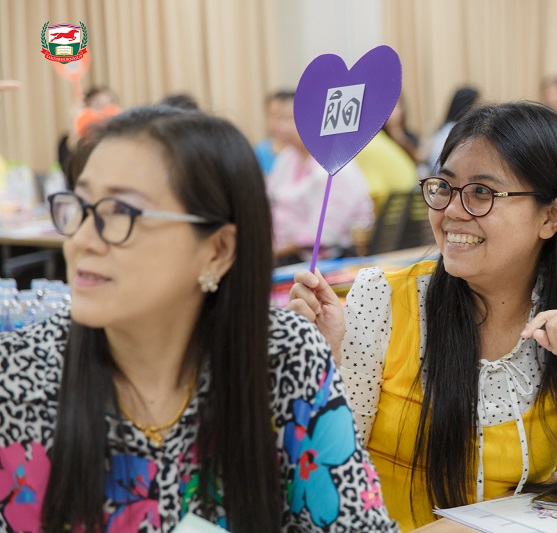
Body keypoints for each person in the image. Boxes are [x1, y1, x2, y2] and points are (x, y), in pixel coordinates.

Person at [288, 102, 557, 530]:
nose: (452, 211)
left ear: (551, 216)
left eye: (482, 192)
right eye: (444, 186)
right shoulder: (384, 298)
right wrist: (321, 366)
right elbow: (324, 480)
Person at [0, 106, 397, 532]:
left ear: (218, 249)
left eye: (118, 212)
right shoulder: (20, 369)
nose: (81, 239)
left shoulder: (283, 354)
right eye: (79, 206)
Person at [268, 92, 374, 265]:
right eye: (279, 119)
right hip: (285, 255)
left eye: (290, 119)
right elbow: (271, 203)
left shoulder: (336, 165)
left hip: (324, 261)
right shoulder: (286, 159)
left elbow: (322, 235)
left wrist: (272, 253)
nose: (281, 127)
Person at [426, 86, 480, 174]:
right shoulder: (456, 133)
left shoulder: (445, 129)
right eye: (477, 107)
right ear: (466, 107)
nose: (480, 112)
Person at [253, 90, 293, 176]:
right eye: (277, 117)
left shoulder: (304, 153)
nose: (282, 126)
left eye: (289, 118)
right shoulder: (259, 152)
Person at [382, 96, 422, 163]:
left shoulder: (411, 137)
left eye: (396, 107)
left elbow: (418, 158)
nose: (392, 113)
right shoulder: (380, 139)